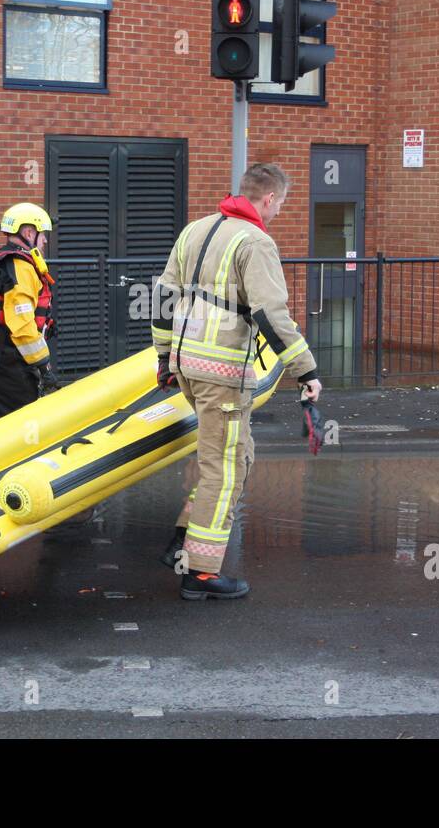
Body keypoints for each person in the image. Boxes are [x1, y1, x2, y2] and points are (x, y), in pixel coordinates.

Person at [151, 163, 322, 600]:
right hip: (221, 373)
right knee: (224, 470)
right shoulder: (256, 242)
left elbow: (164, 296)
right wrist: (306, 370)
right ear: (267, 199)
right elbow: (270, 313)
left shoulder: (194, 231)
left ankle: (181, 546)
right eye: (280, 203)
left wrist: (164, 357)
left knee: (235, 458)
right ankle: (201, 573)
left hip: (189, 365)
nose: (279, 211)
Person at [0, 203, 60, 425]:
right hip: (7, 361)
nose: (45, 240)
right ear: (29, 232)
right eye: (43, 234)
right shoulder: (20, 266)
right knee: (23, 427)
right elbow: (22, 325)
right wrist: (44, 366)